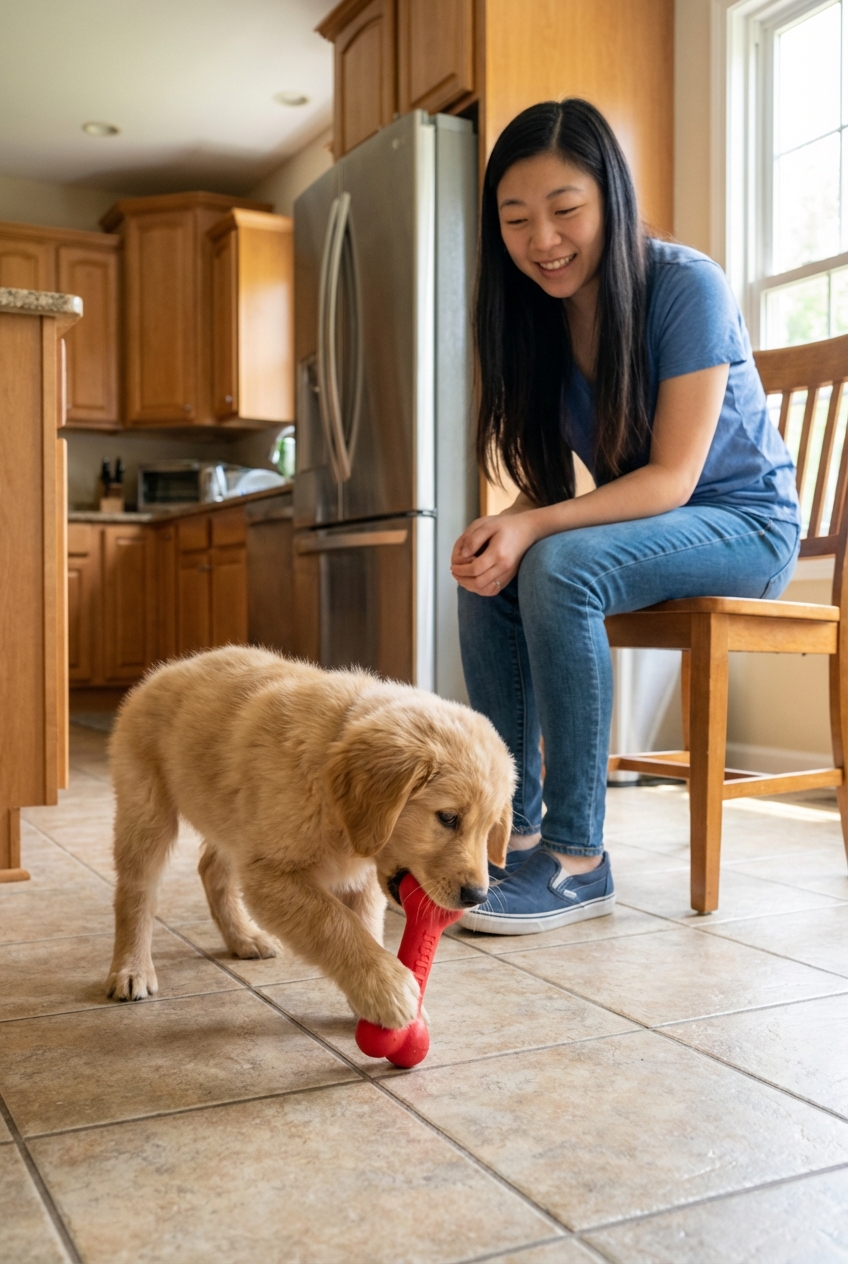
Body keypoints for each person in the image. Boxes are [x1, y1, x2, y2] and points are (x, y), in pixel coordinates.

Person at [451, 98, 801, 935]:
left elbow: (673, 479)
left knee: (558, 563)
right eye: (516, 219)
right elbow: (552, 483)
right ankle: (518, 830)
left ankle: (578, 858)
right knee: (487, 566)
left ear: (611, 196)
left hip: (745, 526)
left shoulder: (686, 284)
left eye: (566, 210)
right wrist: (510, 523)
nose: (543, 241)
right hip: (655, 528)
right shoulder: (534, 318)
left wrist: (537, 526)